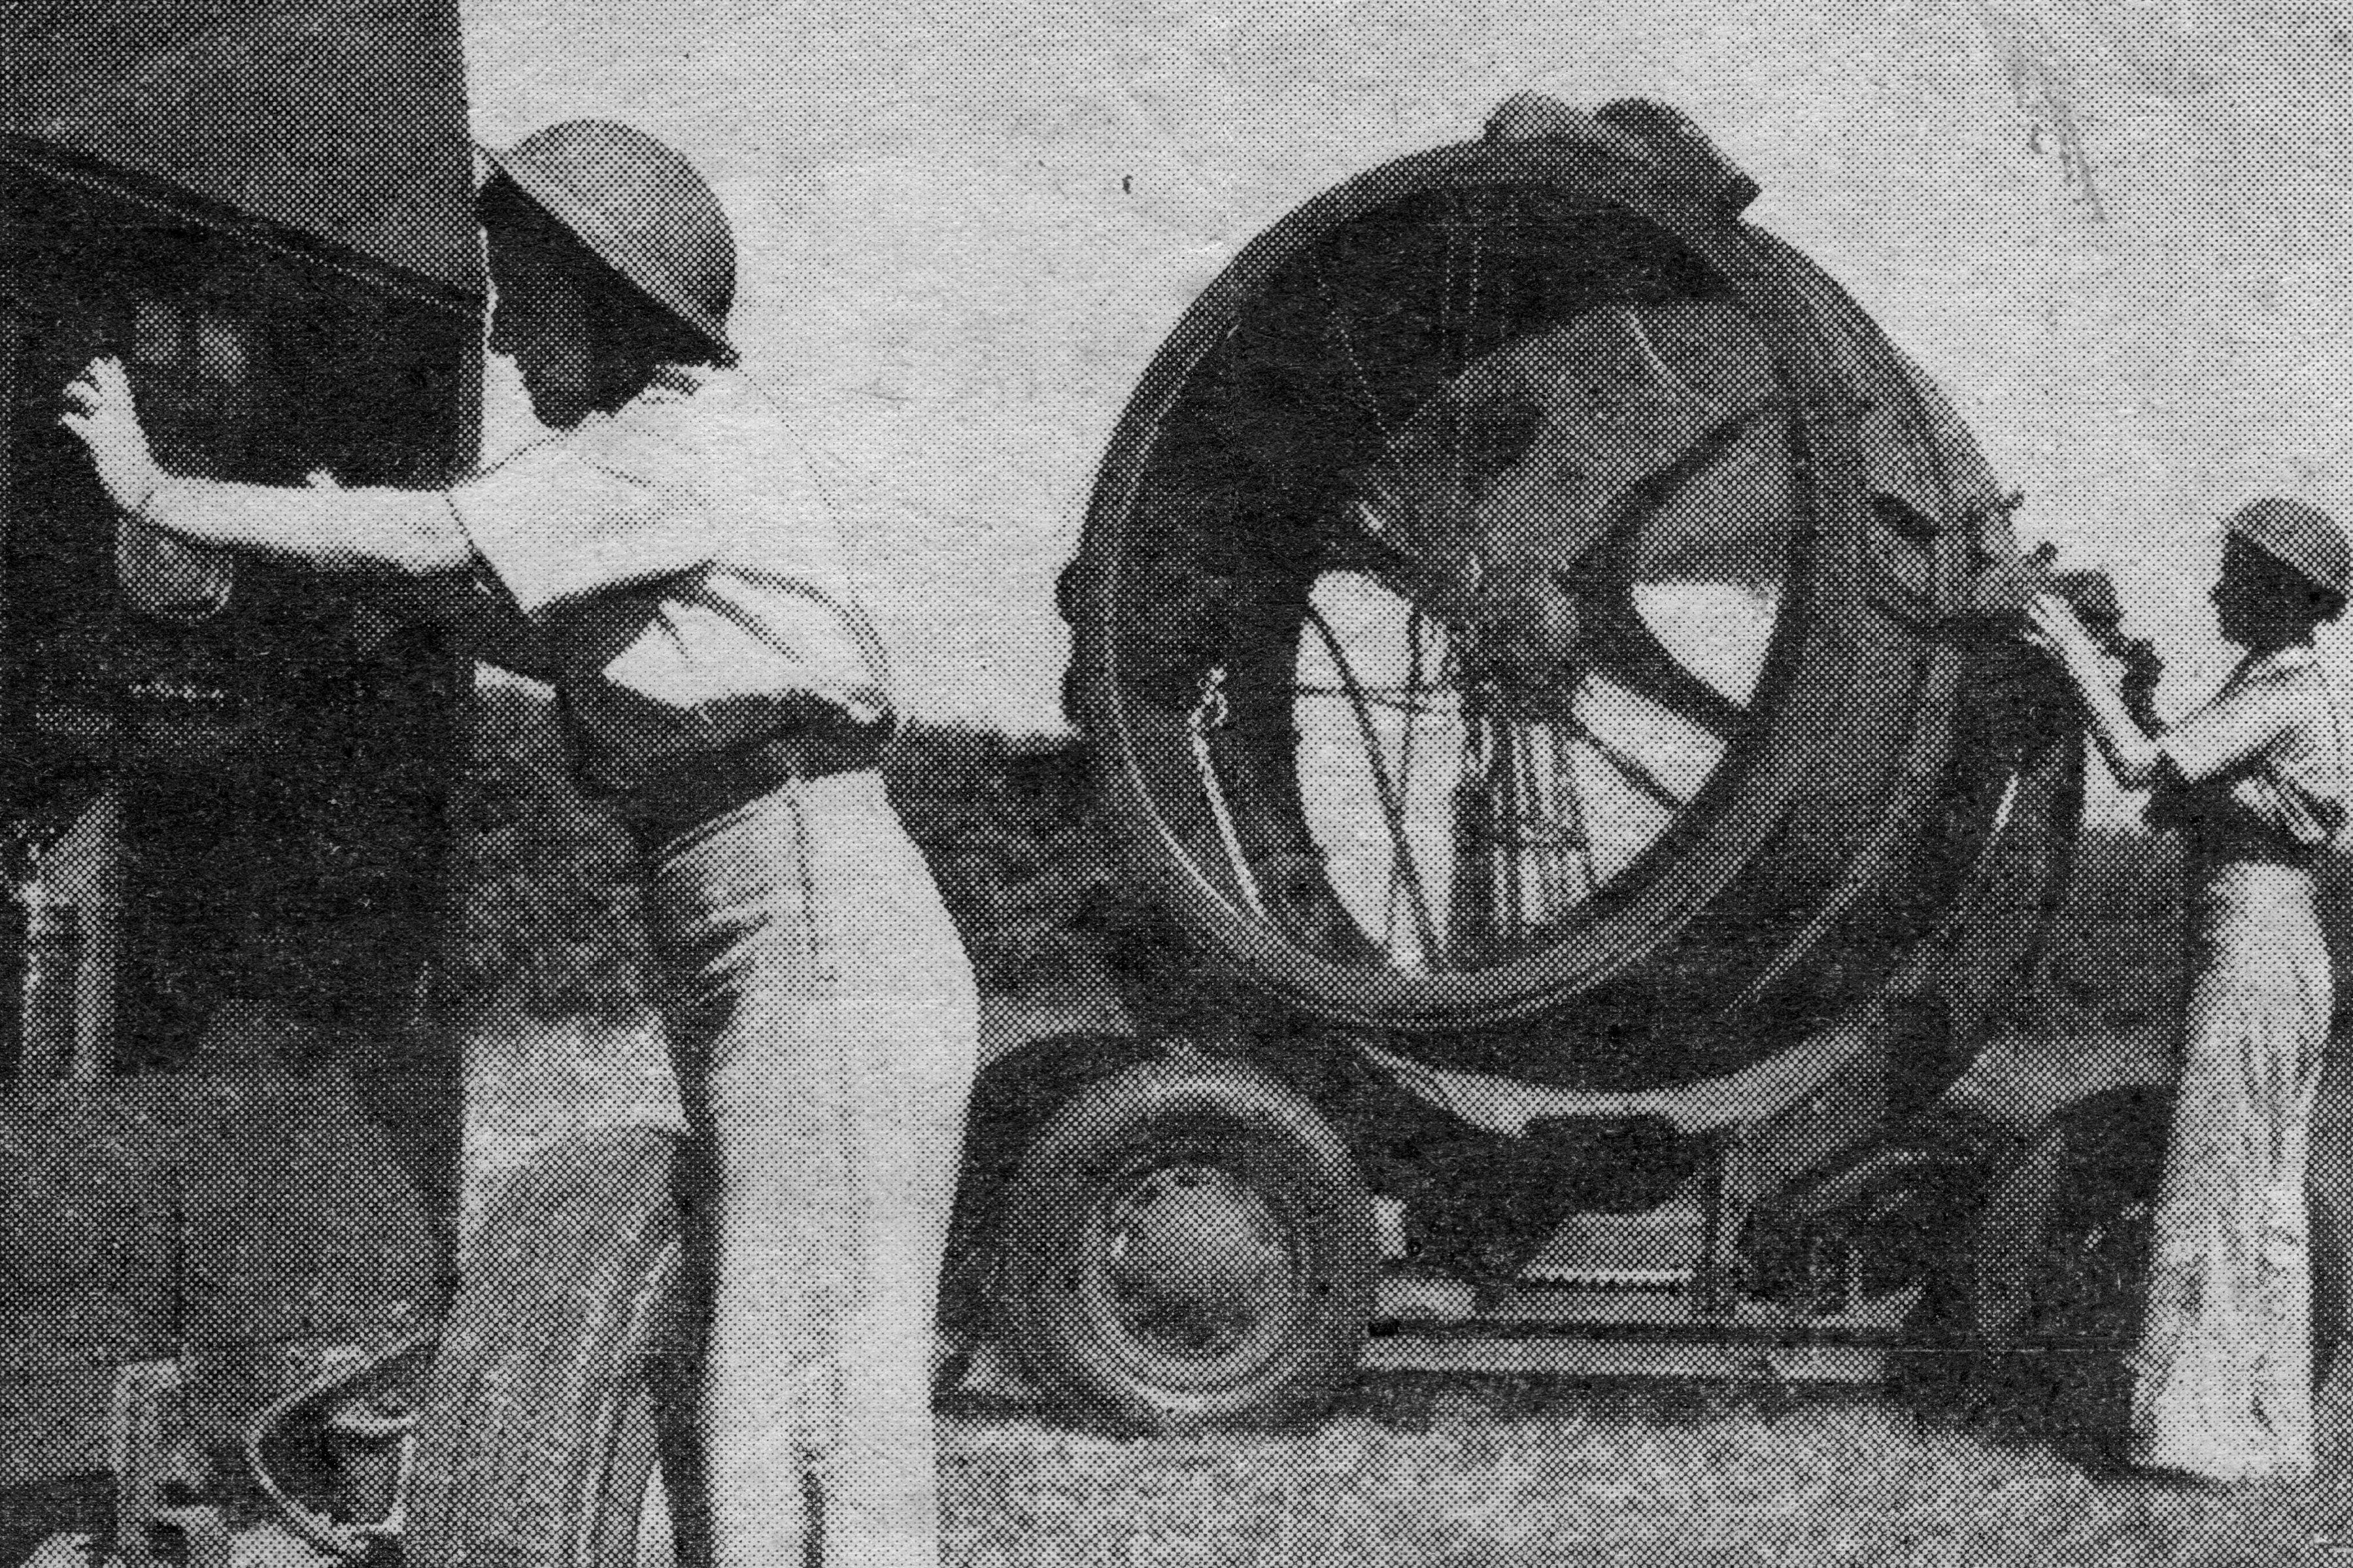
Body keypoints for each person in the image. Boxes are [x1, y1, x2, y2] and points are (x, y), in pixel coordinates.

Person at [59, 120, 979, 1567]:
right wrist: (324, 548)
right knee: (765, 1360)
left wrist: (161, 498)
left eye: (523, 301)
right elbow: (534, 626)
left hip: (798, 893)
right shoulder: (650, 464)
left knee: (800, 1380)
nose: (502, 345)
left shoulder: (675, 443)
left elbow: (433, 544)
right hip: (756, 894)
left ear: (612, 301)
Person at [2027, 497, 2350, 1485]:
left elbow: (2135, 768)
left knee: (2219, 1183)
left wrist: (2074, 653)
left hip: (2256, 948)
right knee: (2248, 1185)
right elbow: (2178, 793)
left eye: (2232, 576)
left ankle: (2206, 1439)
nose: (2214, 589)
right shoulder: (2270, 684)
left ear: (2277, 593)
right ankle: (2246, 1431)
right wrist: (2141, 694)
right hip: (2258, 943)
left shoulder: (2288, 688)